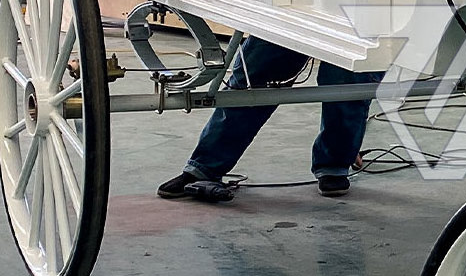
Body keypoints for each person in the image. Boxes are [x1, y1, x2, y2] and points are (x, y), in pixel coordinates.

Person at [158, 37, 383, 201]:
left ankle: (335, 164)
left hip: (362, 3)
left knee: (348, 83)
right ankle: (205, 167)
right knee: (254, 75)